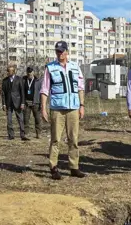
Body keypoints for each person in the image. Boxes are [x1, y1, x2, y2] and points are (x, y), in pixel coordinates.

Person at [40, 41, 87, 180]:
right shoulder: (50, 68)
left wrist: (82, 105)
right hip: (57, 109)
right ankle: (53, 167)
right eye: (57, 51)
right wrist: (43, 108)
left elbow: (80, 87)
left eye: (61, 51)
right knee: (55, 139)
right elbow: (44, 89)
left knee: (73, 139)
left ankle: (74, 167)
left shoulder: (75, 67)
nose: (59, 54)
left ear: (67, 52)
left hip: (73, 108)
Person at [2, 65, 27, 141]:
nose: (7, 72)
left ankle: (22, 135)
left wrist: (22, 103)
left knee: (20, 119)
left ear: (13, 71)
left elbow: (22, 92)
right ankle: (11, 135)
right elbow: (3, 93)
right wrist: (3, 104)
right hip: (8, 102)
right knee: (9, 120)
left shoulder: (19, 79)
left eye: (9, 71)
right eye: (7, 71)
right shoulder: (5, 81)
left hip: (18, 102)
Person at [23, 67, 41, 139]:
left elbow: (41, 92)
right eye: (28, 72)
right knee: (26, 119)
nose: (29, 73)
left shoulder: (38, 81)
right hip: (26, 102)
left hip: (36, 102)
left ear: (33, 72)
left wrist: (41, 103)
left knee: (37, 119)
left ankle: (38, 133)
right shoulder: (24, 80)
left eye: (31, 72)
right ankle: (26, 133)